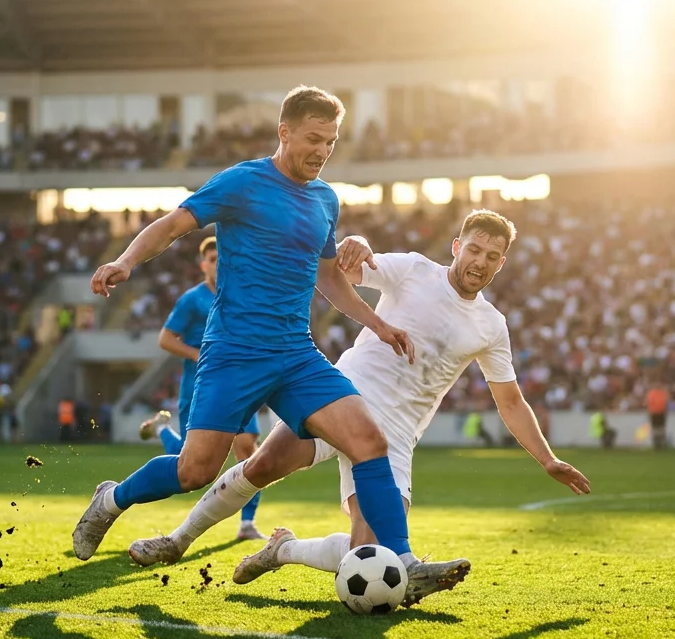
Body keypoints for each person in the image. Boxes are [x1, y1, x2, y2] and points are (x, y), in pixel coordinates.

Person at [72, 85, 470, 605]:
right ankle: (112, 499)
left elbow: (329, 277)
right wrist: (125, 261)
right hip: (234, 351)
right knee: (194, 471)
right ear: (284, 132)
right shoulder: (243, 182)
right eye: (313, 139)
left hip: (295, 353)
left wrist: (376, 322)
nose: (322, 151)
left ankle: (404, 562)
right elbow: (174, 225)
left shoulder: (326, 199)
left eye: (330, 142)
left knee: (368, 442)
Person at [126, 211, 591, 598]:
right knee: (262, 467)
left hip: (397, 436)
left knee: (369, 555)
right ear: (456, 246)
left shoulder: (491, 325)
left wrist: (547, 459)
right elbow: (347, 269)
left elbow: (509, 400)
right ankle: (177, 539)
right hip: (344, 396)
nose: (479, 262)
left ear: (501, 263)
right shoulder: (413, 269)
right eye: (473, 249)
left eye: (491, 256)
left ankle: (281, 550)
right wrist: (357, 241)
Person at [138, 236, 267, 541]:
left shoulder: (241, 294)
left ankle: (247, 524)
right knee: (190, 462)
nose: (218, 264)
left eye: (222, 258)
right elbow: (166, 338)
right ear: (203, 265)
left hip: (238, 385)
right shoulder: (192, 299)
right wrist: (199, 354)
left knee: (248, 449)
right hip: (201, 386)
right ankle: (161, 430)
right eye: (212, 259)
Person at [646, 383, 670, 450]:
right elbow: (650, 403)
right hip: (655, 413)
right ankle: (656, 443)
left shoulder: (663, 393)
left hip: (661, 413)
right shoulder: (652, 393)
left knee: (661, 429)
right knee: (656, 429)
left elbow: (665, 403)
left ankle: (661, 443)